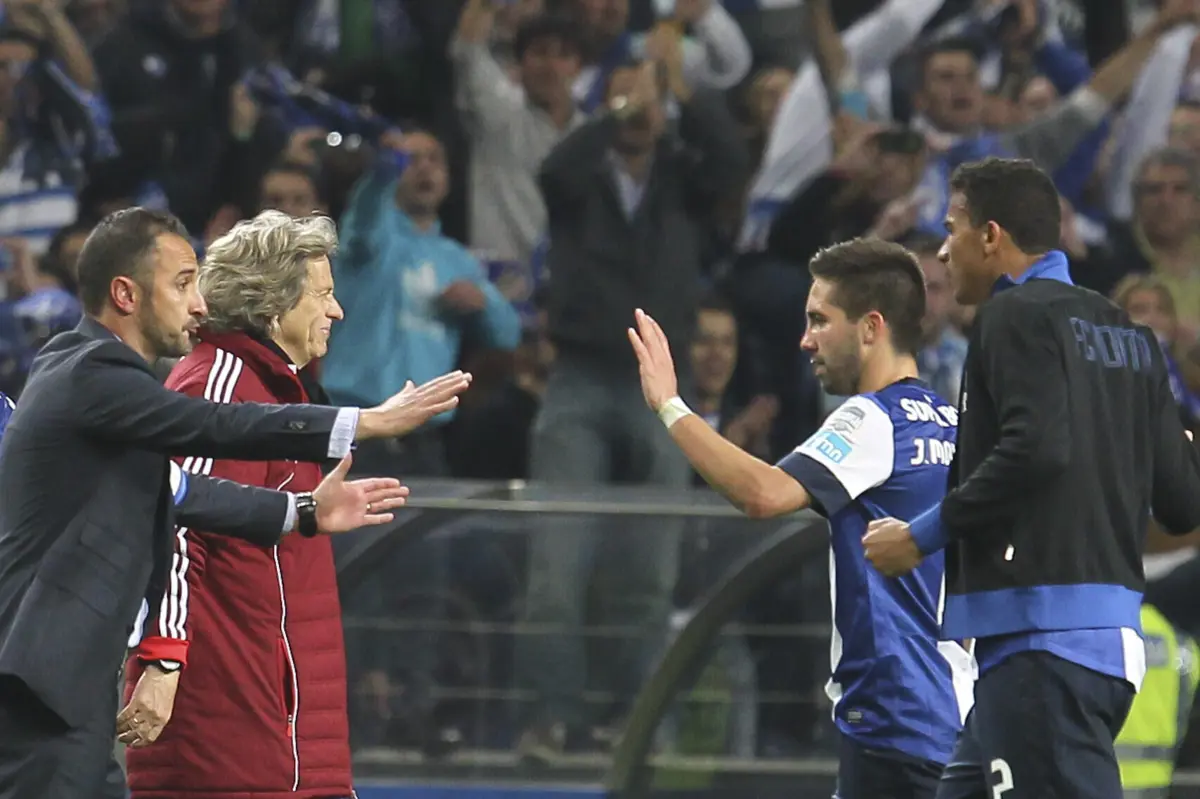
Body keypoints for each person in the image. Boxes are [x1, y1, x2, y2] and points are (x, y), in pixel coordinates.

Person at [0, 207, 471, 799]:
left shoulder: (108, 389)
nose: (198, 305)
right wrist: (363, 423)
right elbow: (213, 427)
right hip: (50, 682)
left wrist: (300, 513)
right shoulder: (95, 375)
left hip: (72, 685)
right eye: (181, 284)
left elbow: (181, 491)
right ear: (125, 293)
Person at [862, 157, 1200, 799]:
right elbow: (1184, 504)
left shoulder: (1012, 316)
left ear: (991, 237)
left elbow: (1036, 447)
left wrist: (920, 537)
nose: (942, 248)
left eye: (953, 227)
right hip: (1104, 642)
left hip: (1040, 642)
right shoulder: (1128, 333)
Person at [627, 238, 975, 799]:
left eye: (820, 320)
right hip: (953, 714)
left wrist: (671, 406)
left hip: (897, 719)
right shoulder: (953, 424)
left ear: (870, 328)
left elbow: (764, 494)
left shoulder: (872, 419)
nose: (805, 340)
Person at [120, 211, 357, 798]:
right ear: (273, 305)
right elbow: (172, 520)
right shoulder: (216, 385)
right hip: (227, 728)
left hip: (288, 734)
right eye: (323, 295)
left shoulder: (279, 391)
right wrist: (164, 659)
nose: (336, 311)